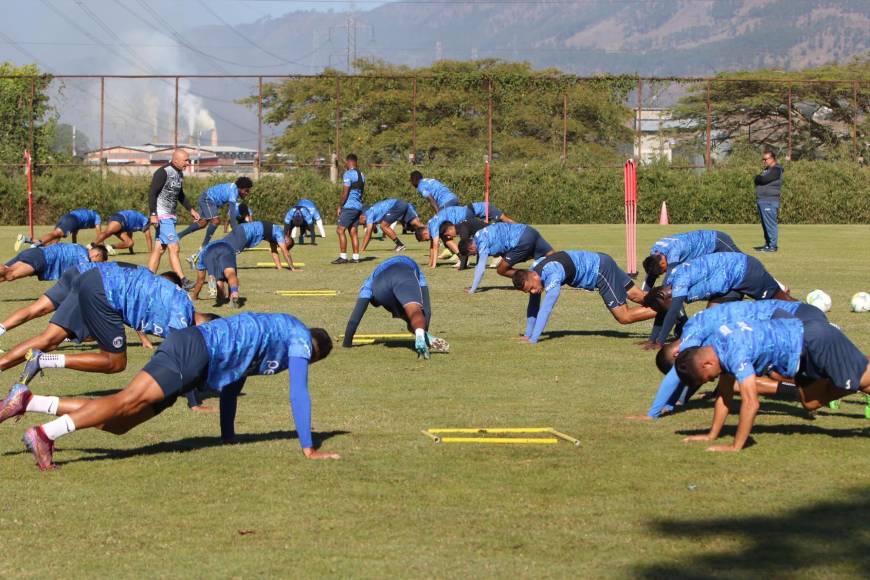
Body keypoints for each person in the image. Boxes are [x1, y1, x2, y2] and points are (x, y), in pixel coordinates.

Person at [3, 313, 339, 470]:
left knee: (121, 422)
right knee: (125, 401)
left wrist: (227, 435)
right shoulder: (298, 338)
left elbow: (235, 378)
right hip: (194, 350)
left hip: (198, 362)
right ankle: (45, 434)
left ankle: (31, 401)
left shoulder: (277, 339)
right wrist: (309, 448)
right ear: (315, 351)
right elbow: (299, 392)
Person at [674, 317, 870, 451]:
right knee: (811, 403)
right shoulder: (717, 344)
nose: (711, 381)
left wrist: (735, 446)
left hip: (814, 342)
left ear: (706, 363)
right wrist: (711, 435)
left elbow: (751, 403)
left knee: (859, 381)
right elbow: (724, 395)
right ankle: (857, 368)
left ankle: (857, 371)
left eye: (707, 378)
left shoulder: (734, 353)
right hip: (803, 352)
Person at [0, 263, 213, 382]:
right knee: (116, 362)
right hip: (105, 291)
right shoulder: (182, 317)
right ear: (205, 327)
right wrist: (195, 401)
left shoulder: (180, 301)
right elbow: (180, 359)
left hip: (93, 275)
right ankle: (44, 360)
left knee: (49, 339)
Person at [639, 299, 827, 420]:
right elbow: (701, 370)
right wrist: (676, 403)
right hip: (793, 316)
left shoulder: (691, 334)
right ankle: (821, 383)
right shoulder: (698, 338)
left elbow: (678, 375)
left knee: (745, 381)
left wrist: (652, 413)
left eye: (681, 368)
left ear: (676, 355)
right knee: (748, 377)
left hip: (795, 320)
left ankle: (826, 383)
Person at [644, 252, 793, 346]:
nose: (672, 310)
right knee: (711, 320)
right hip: (729, 286)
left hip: (745, 270)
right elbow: (667, 310)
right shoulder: (670, 287)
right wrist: (652, 338)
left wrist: (660, 341)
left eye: (666, 307)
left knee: (782, 303)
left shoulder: (679, 280)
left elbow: (673, 309)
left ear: (665, 296)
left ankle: (810, 314)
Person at [512, 251, 658, 343]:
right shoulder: (534, 273)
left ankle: (666, 310)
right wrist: (528, 334)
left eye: (531, 288)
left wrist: (533, 339)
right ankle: (673, 308)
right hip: (602, 259)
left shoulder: (553, 273)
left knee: (624, 316)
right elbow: (533, 304)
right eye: (528, 291)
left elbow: (546, 308)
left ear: (533, 276)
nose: (532, 292)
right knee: (639, 296)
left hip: (600, 271)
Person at [342, 256, 448, 359]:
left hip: (380, 288)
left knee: (408, 316)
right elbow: (427, 311)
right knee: (414, 311)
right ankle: (421, 335)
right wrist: (423, 327)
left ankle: (421, 334)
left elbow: (355, 317)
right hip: (404, 272)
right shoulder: (417, 272)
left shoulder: (369, 283)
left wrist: (347, 342)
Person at [146, 149, 199, 289]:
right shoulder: (163, 172)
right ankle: (183, 280)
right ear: (175, 160)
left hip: (170, 215)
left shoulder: (179, 174)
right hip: (162, 216)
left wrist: (191, 210)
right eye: (185, 160)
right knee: (174, 247)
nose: (188, 163)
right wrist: (153, 214)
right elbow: (152, 193)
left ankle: (147, 280)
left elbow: (180, 194)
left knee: (159, 249)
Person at [461, 223, 554, 294]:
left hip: (520, 240)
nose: (474, 255)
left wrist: (473, 289)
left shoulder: (481, 243)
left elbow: (480, 269)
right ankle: (560, 278)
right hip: (529, 230)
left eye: (471, 254)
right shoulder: (479, 233)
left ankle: (530, 278)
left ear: (471, 248)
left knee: (501, 269)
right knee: (553, 256)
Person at [642, 229, 741, 291]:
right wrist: (644, 295)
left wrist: (659, 295)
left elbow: (669, 277)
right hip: (708, 250)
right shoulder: (655, 252)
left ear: (663, 262)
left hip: (717, 240)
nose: (664, 271)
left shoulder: (674, 251)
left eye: (663, 270)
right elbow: (651, 274)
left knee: (743, 261)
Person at [178, 177, 253, 252]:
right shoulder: (233, 192)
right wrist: (236, 230)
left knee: (202, 223)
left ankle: (179, 235)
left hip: (208, 200)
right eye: (246, 190)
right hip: (207, 199)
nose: (247, 193)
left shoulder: (234, 189)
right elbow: (232, 214)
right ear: (240, 188)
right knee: (216, 221)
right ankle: (204, 246)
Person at [0, 243, 107, 285]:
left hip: (35, 254)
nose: (96, 264)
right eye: (99, 262)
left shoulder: (79, 248)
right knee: (10, 274)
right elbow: (85, 274)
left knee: (4, 275)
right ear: (97, 255)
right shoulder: (83, 256)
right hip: (40, 259)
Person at [225, 220, 297, 271]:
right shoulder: (279, 234)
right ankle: (224, 265)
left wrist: (279, 268)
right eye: (285, 245)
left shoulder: (274, 233)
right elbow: (286, 252)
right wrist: (293, 268)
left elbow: (274, 251)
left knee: (223, 244)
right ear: (286, 241)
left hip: (241, 227)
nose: (279, 246)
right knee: (235, 251)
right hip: (246, 232)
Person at [15, 208, 102, 250]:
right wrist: (103, 246)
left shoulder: (86, 215)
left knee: (53, 242)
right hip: (72, 220)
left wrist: (75, 245)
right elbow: (100, 235)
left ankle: (26, 239)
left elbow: (75, 232)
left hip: (66, 217)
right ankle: (35, 245)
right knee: (55, 235)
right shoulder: (97, 217)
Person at [333, 154, 365, 264]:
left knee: (340, 230)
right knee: (353, 232)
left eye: (346, 163)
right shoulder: (362, 175)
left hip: (349, 207)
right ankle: (356, 258)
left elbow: (345, 193)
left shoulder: (348, 174)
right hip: (358, 206)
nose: (345, 165)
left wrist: (340, 206)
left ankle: (343, 257)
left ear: (349, 162)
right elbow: (361, 193)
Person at [189, 240, 242, 308]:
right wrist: (230, 296)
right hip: (226, 247)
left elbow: (200, 280)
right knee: (230, 273)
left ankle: (212, 281)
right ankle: (234, 294)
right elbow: (234, 274)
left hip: (209, 253)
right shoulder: (202, 252)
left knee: (214, 277)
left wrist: (194, 297)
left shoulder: (200, 258)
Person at [359, 198, 423, 253]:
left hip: (396, 205)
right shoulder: (371, 212)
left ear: (362, 217)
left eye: (360, 222)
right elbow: (374, 229)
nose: (362, 224)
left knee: (383, 226)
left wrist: (362, 249)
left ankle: (400, 245)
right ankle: (432, 236)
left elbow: (368, 233)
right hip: (402, 203)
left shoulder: (369, 214)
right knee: (417, 224)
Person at [754, 150, 783, 252]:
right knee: (765, 225)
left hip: (769, 201)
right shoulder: (766, 170)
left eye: (765, 159)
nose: (764, 161)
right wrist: (758, 178)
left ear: (772, 159)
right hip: (762, 200)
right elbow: (757, 179)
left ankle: (773, 246)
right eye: (763, 159)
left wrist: (759, 178)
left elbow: (762, 180)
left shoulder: (776, 170)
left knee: (770, 224)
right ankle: (767, 244)